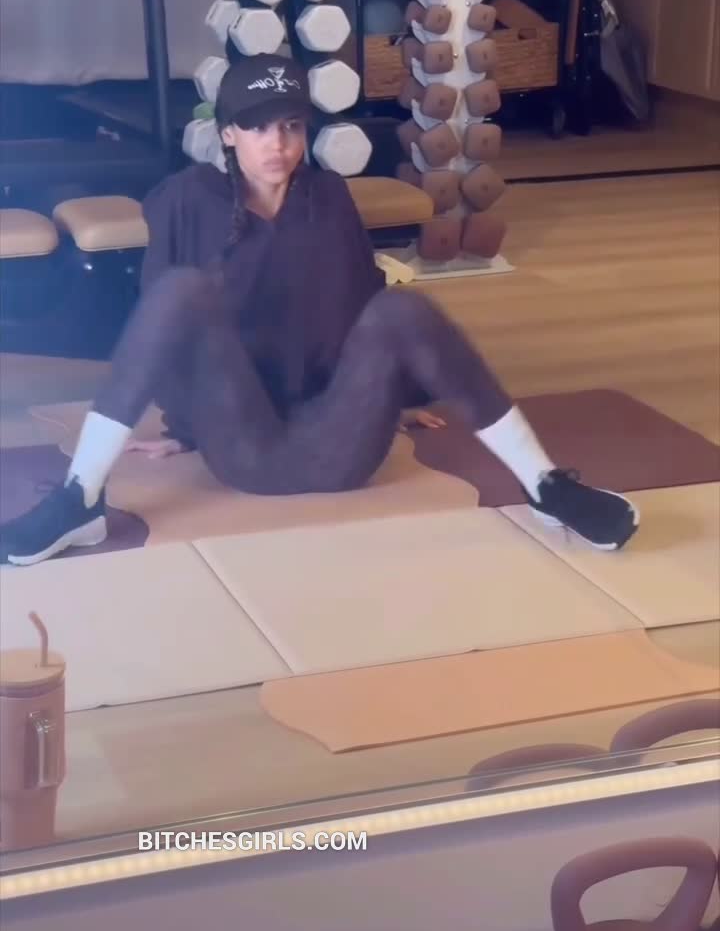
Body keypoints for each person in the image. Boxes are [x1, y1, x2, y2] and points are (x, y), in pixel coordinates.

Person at [0, 55, 638, 565]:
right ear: (228, 133)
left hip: (340, 444)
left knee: (403, 307)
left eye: (291, 127)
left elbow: (363, 304)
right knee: (180, 289)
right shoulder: (185, 198)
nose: (276, 144)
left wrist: (398, 393)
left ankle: (546, 485)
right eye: (257, 127)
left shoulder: (328, 195)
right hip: (244, 443)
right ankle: (81, 498)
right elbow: (163, 327)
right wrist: (185, 426)